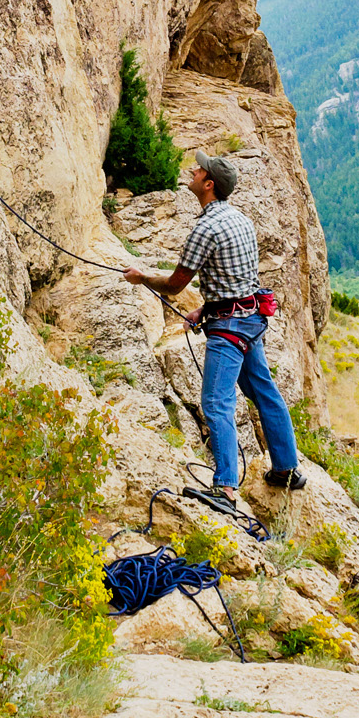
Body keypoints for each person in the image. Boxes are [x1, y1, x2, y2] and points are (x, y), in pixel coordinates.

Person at [124, 149, 305, 506]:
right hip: (251, 319)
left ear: (208, 184)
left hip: (229, 328)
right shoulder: (239, 219)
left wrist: (142, 277)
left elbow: (176, 284)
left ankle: (224, 487)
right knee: (265, 392)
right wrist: (204, 308)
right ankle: (286, 468)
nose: (193, 170)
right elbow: (237, 278)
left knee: (215, 402)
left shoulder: (205, 227)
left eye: (199, 169)